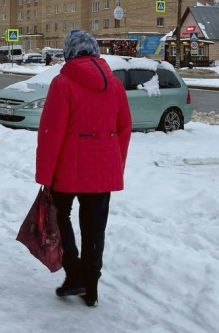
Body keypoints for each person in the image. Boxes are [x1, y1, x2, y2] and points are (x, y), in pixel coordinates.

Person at [34, 29, 132, 308]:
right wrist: (116, 163)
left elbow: (51, 133)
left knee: (58, 217)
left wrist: (45, 175)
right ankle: (91, 287)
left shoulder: (63, 83)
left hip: (68, 169)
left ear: (69, 52)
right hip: (104, 169)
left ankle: (74, 272)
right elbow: (124, 128)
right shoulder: (114, 85)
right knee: (95, 229)